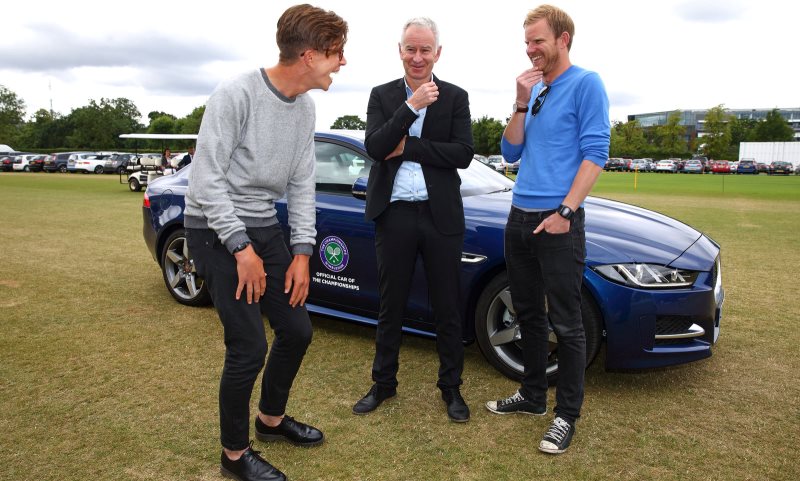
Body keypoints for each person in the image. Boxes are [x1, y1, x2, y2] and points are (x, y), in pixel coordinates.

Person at [183, 5, 347, 481]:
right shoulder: (236, 94)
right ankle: (234, 455)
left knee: (297, 331)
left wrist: (302, 254)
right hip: (214, 229)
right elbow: (206, 180)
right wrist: (241, 249)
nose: (342, 62)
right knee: (249, 347)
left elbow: (302, 184)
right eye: (336, 53)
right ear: (310, 56)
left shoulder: (306, 108)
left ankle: (270, 420)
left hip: (263, 227)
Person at [484, 4, 609, 455]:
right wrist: (520, 101)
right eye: (527, 42)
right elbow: (510, 152)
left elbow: (596, 153)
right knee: (528, 314)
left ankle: (566, 415)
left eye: (538, 40)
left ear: (563, 39)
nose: (530, 49)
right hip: (518, 216)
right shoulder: (535, 90)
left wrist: (566, 212)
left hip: (558, 220)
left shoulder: (587, 83)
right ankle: (533, 395)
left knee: (567, 323)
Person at [352, 17, 474, 423]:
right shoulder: (382, 95)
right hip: (395, 214)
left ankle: (451, 388)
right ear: (400, 50)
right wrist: (411, 107)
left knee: (447, 306)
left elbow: (462, 154)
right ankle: (383, 383)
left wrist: (408, 147)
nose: (417, 57)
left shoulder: (455, 97)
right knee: (391, 304)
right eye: (411, 49)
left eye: (425, 50)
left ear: (437, 53)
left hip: (441, 216)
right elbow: (375, 147)